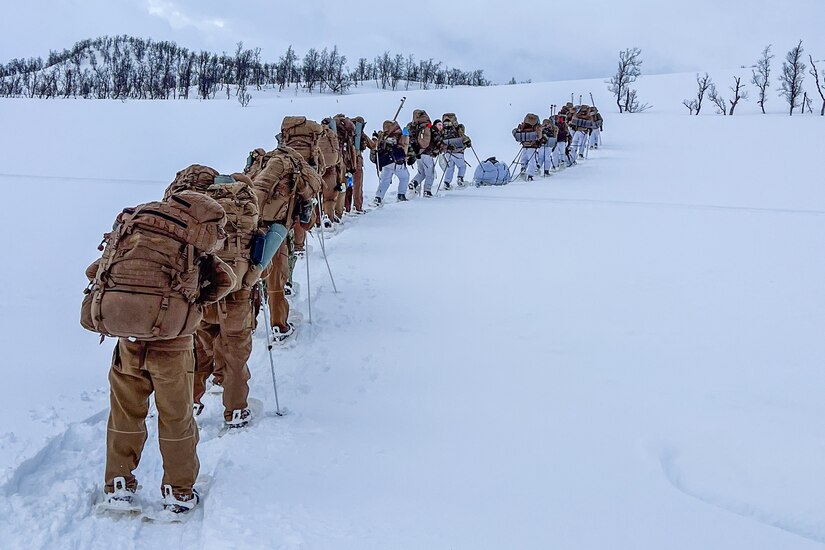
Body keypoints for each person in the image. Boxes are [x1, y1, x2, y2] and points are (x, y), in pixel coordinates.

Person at [83, 188, 236, 514]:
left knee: (125, 414)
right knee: (176, 418)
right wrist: (190, 302)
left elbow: (94, 271)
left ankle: (118, 487)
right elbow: (227, 280)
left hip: (129, 343)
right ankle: (178, 493)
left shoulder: (136, 232)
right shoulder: (193, 246)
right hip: (174, 346)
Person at [371, 120, 410, 206]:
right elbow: (404, 146)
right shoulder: (399, 135)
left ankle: (378, 197)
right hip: (396, 162)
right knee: (404, 177)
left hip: (385, 162)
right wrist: (406, 136)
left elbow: (377, 146)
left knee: (385, 180)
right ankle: (401, 195)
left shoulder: (383, 135)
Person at [407, 110, 441, 198]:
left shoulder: (411, 126)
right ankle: (427, 191)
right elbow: (436, 137)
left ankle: (413, 183)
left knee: (421, 172)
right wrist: (441, 147)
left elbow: (406, 137)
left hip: (417, 154)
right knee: (430, 173)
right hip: (427, 153)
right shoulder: (428, 125)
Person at [347, 115, 373, 214]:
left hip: (346, 163)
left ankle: (346, 208)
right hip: (357, 162)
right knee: (357, 185)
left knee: (348, 185)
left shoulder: (346, 134)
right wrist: (376, 138)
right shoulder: (361, 135)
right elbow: (373, 146)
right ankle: (357, 207)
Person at [441, 113, 471, 189]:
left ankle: (446, 183)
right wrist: (468, 142)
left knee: (450, 167)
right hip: (458, 152)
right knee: (462, 166)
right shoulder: (457, 128)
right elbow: (463, 137)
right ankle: (460, 179)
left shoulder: (443, 130)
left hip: (448, 152)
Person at [512, 113, 543, 181]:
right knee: (532, 161)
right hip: (532, 146)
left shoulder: (523, 126)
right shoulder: (537, 127)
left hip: (524, 146)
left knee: (523, 159)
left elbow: (515, 132)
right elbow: (539, 137)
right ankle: (530, 176)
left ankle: (522, 172)